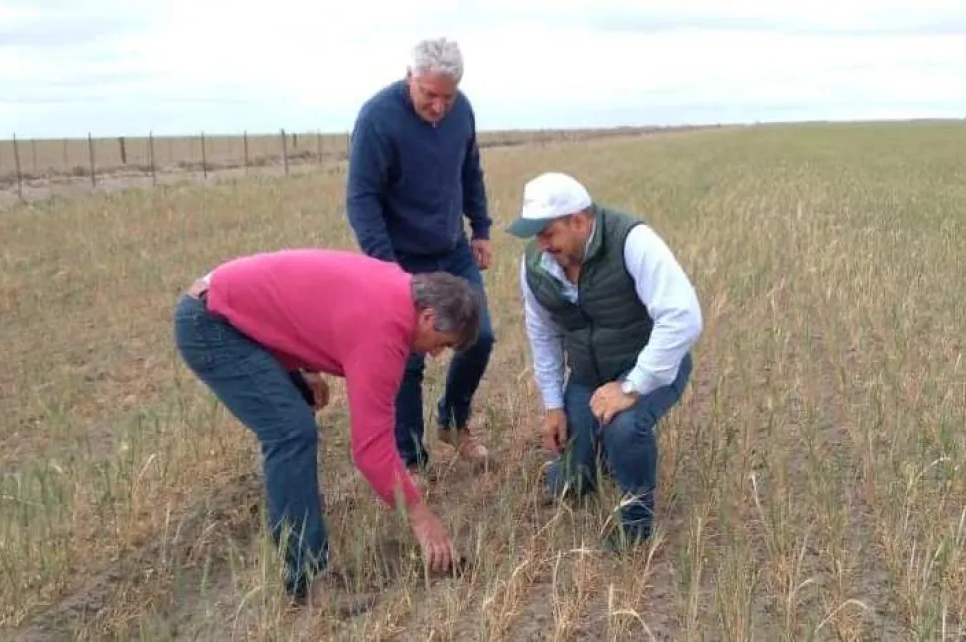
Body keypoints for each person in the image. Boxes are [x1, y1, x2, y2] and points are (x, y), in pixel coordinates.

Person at [171, 248, 481, 611]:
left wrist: (305, 366)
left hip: (231, 308)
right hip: (213, 324)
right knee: (291, 432)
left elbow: (311, 306)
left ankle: (295, 516)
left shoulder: (398, 287)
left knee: (297, 411)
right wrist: (421, 518)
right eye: (442, 344)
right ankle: (307, 580)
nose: (436, 355)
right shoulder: (383, 331)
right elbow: (371, 451)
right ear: (428, 317)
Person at [506, 172, 704, 550]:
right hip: (587, 375)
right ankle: (596, 459)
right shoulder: (537, 265)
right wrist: (553, 405)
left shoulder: (632, 240)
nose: (541, 245)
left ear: (579, 221)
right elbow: (543, 335)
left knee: (624, 426)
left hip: (646, 365)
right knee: (570, 483)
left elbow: (683, 316)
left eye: (548, 234)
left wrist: (633, 386)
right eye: (536, 236)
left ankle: (636, 526)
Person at [345, 36, 495, 479]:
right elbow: (361, 200)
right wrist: (386, 270)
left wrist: (481, 228)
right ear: (409, 76)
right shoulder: (377, 119)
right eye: (429, 95)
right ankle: (410, 458)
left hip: (451, 248)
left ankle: (452, 421)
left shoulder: (462, 110)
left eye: (447, 96)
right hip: (400, 259)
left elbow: (470, 171)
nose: (439, 106)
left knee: (479, 335)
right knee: (406, 358)